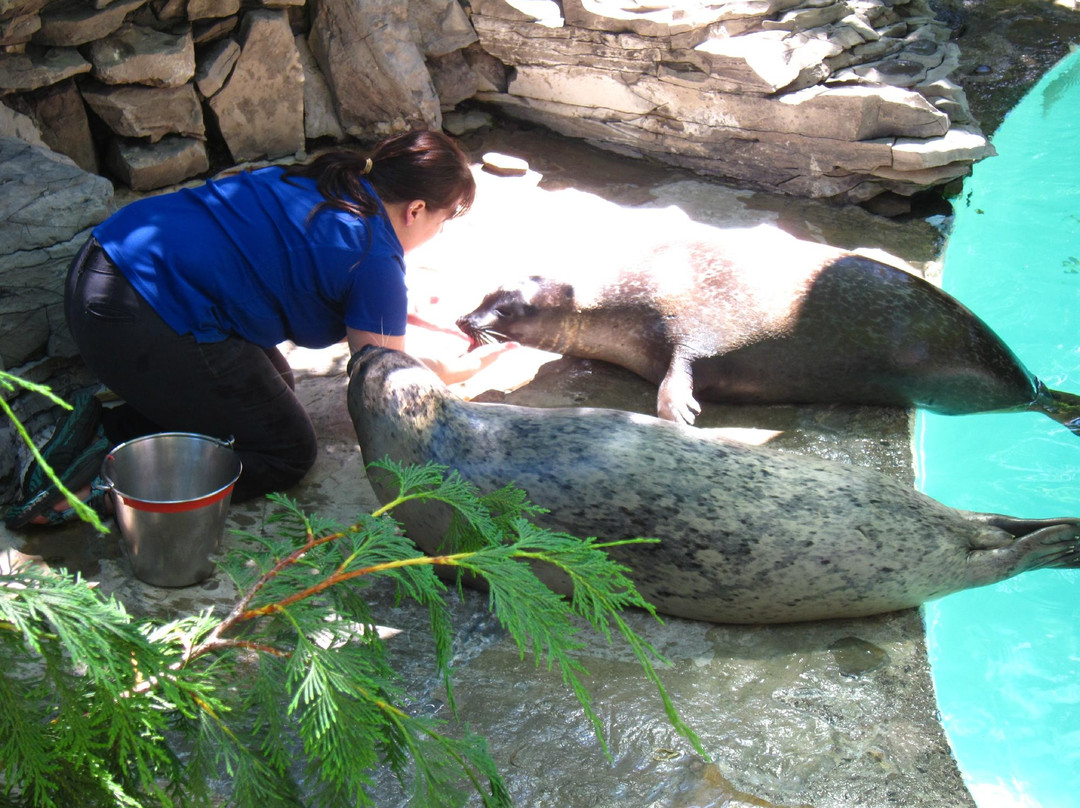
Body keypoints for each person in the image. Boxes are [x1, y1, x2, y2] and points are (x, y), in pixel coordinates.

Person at [8, 129, 506, 528]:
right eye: (442, 221)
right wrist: (456, 370)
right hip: (137, 318)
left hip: (102, 267)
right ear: (416, 210)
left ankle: (108, 432)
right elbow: (383, 374)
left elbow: (334, 283)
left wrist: (403, 311)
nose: (438, 233)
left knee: (272, 391)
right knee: (286, 449)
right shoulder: (374, 258)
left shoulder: (331, 179)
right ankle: (96, 488)